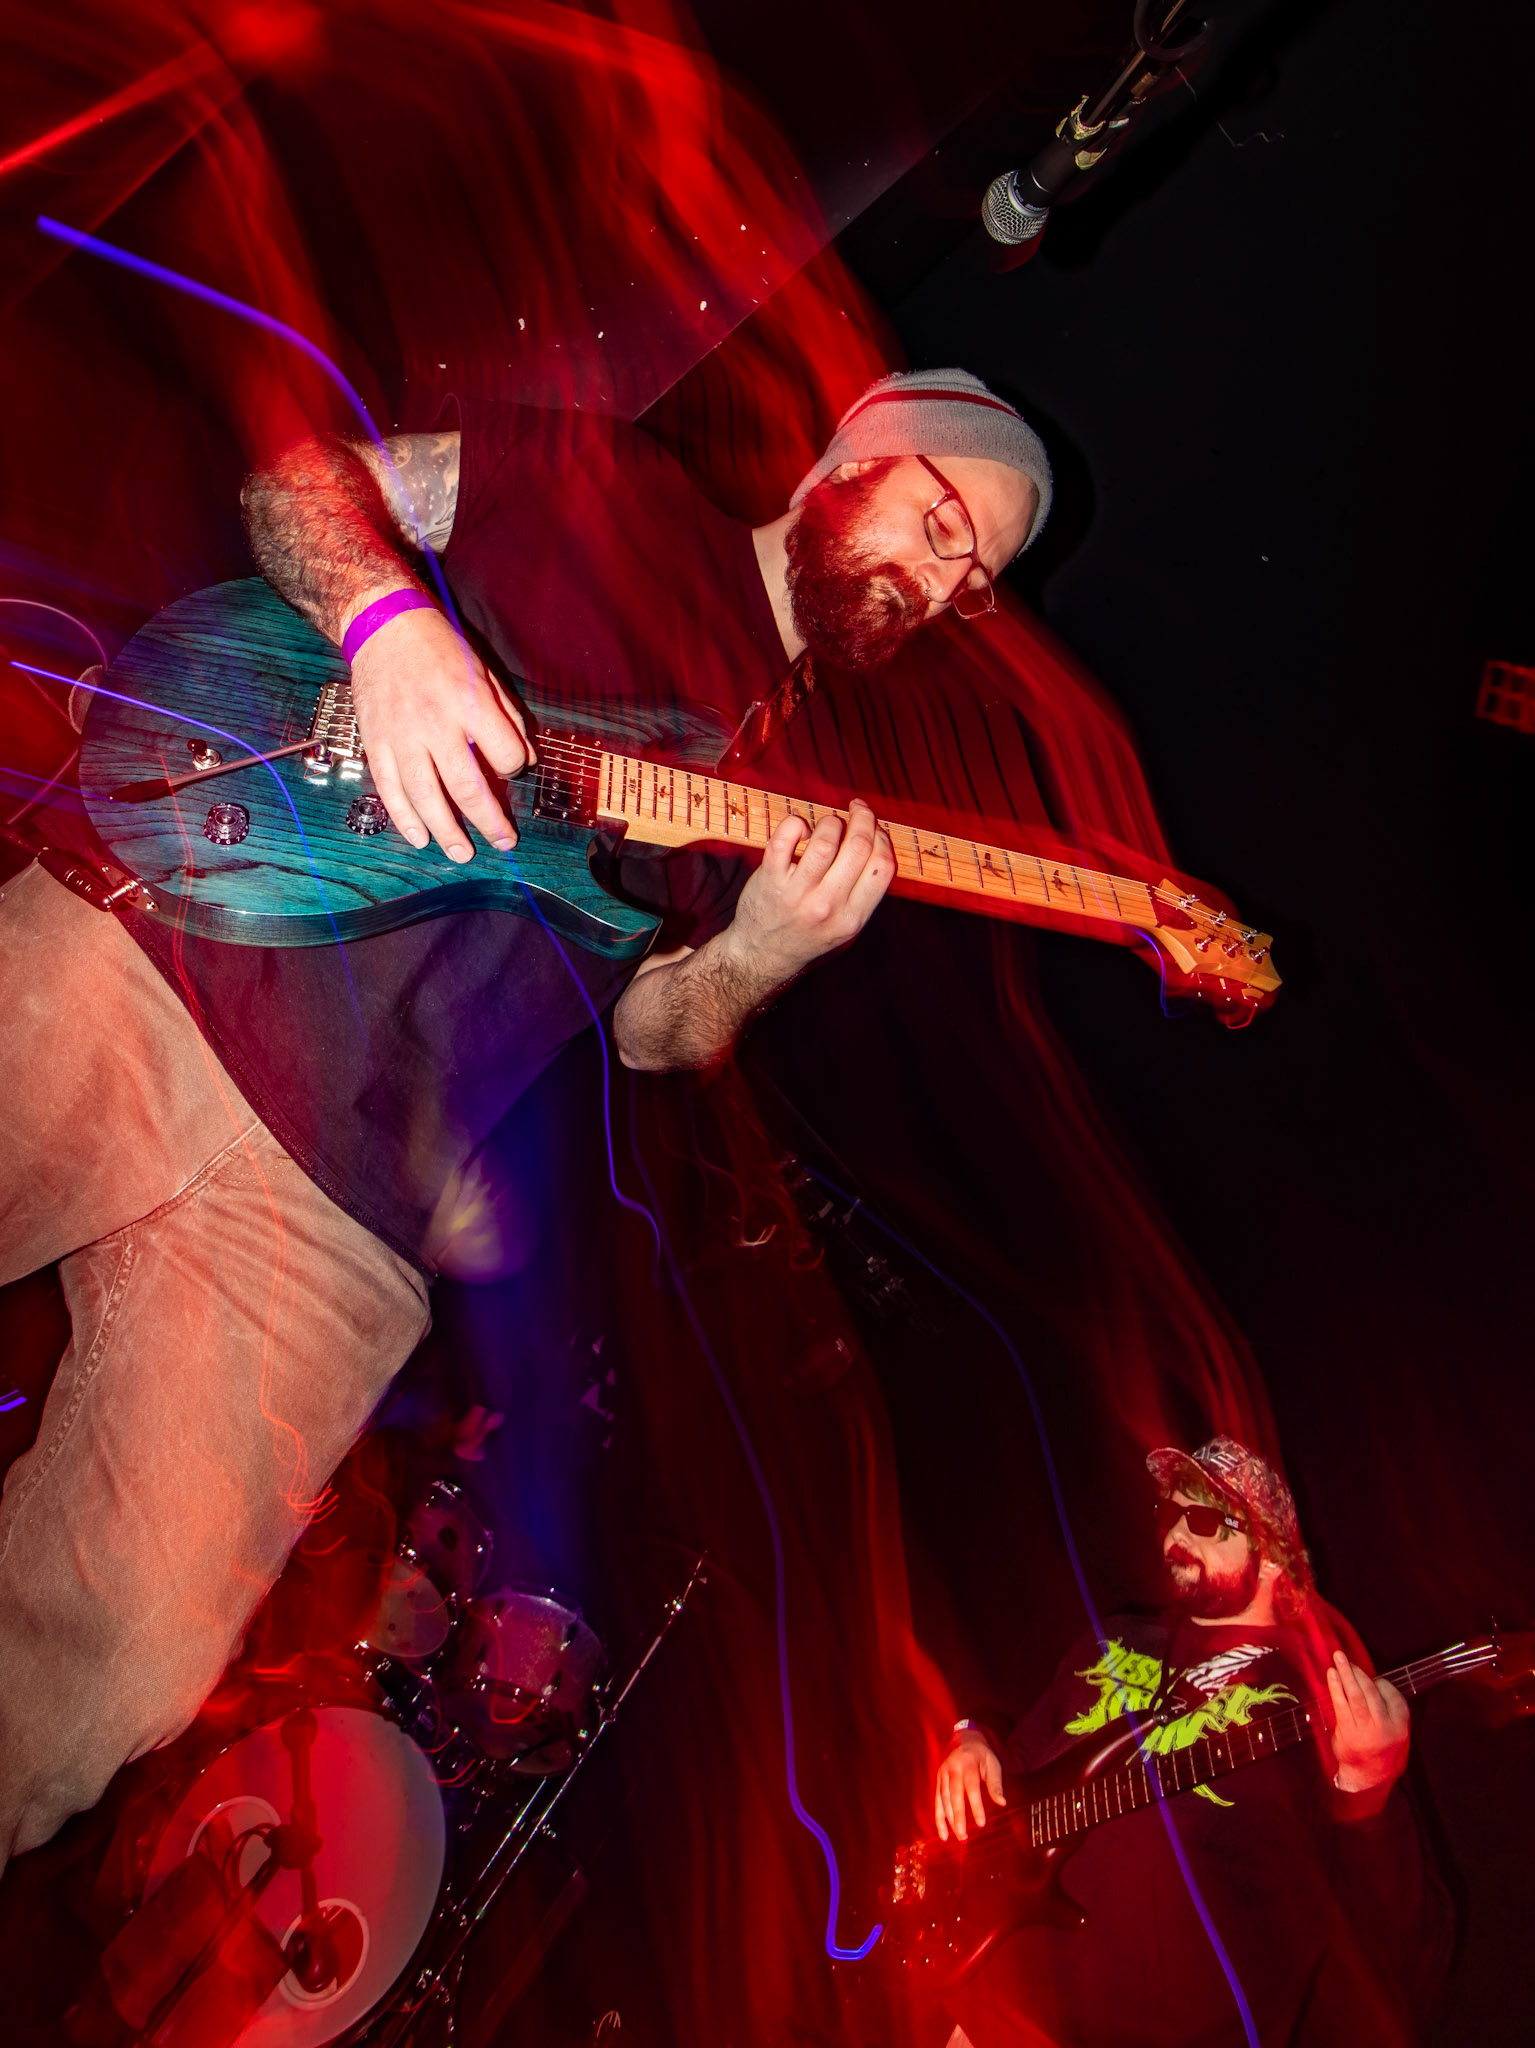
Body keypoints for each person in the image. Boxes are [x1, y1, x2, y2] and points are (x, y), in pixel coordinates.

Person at [0, 369, 1049, 1866]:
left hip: (340, 1217)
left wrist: (760, 953)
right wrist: (387, 625)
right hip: (170, 950)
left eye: (974, 579)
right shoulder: (609, 482)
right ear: (853, 456)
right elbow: (298, 488)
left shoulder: (778, 781)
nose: (940, 583)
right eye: (941, 521)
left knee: (96, 1671)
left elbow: (650, 1027)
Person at [931, 1438, 1452, 2047]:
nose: (1177, 1532)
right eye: (1170, 1513)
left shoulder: (1314, 1691)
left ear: (1273, 1557)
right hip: (1004, 2007)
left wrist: (1369, 1790)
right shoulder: (1114, 1635)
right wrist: (972, 1739)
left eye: (1204, 1519)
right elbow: (1016, 1770)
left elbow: (1402, 1950)